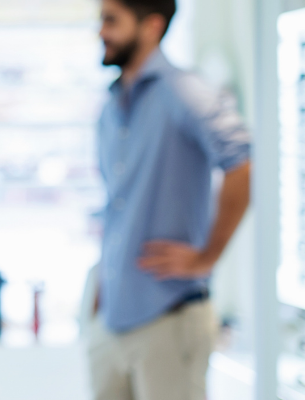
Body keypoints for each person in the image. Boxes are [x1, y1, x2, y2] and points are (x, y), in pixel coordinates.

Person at [89, 0, 252, 399]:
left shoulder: (185, 91)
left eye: (112, 21)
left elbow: (244, 164)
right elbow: (118, 205)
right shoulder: (112, 106)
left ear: (151, 26)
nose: (101, 32)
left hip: (168, 314)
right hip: (110, 317)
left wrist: (207, 256)